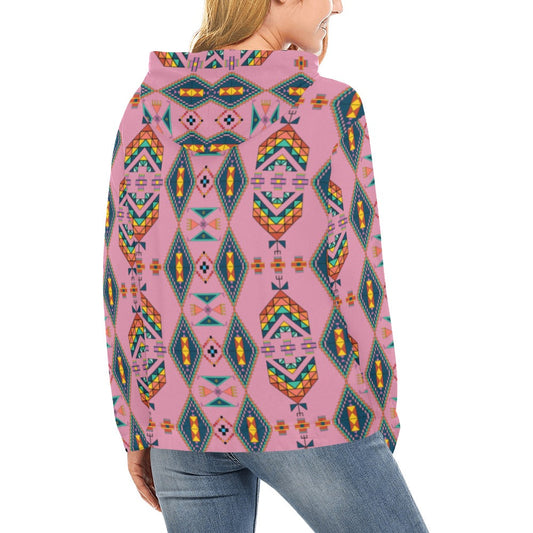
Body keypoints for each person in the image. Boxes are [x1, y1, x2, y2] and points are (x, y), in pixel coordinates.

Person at [102, 0, 430, 531]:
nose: (338, 5)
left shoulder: (147, 104)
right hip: (307, 402)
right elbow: (356, 275)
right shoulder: (326, 105)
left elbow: (124, 272)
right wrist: (381, 412)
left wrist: (136, 421)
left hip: (179, 412)